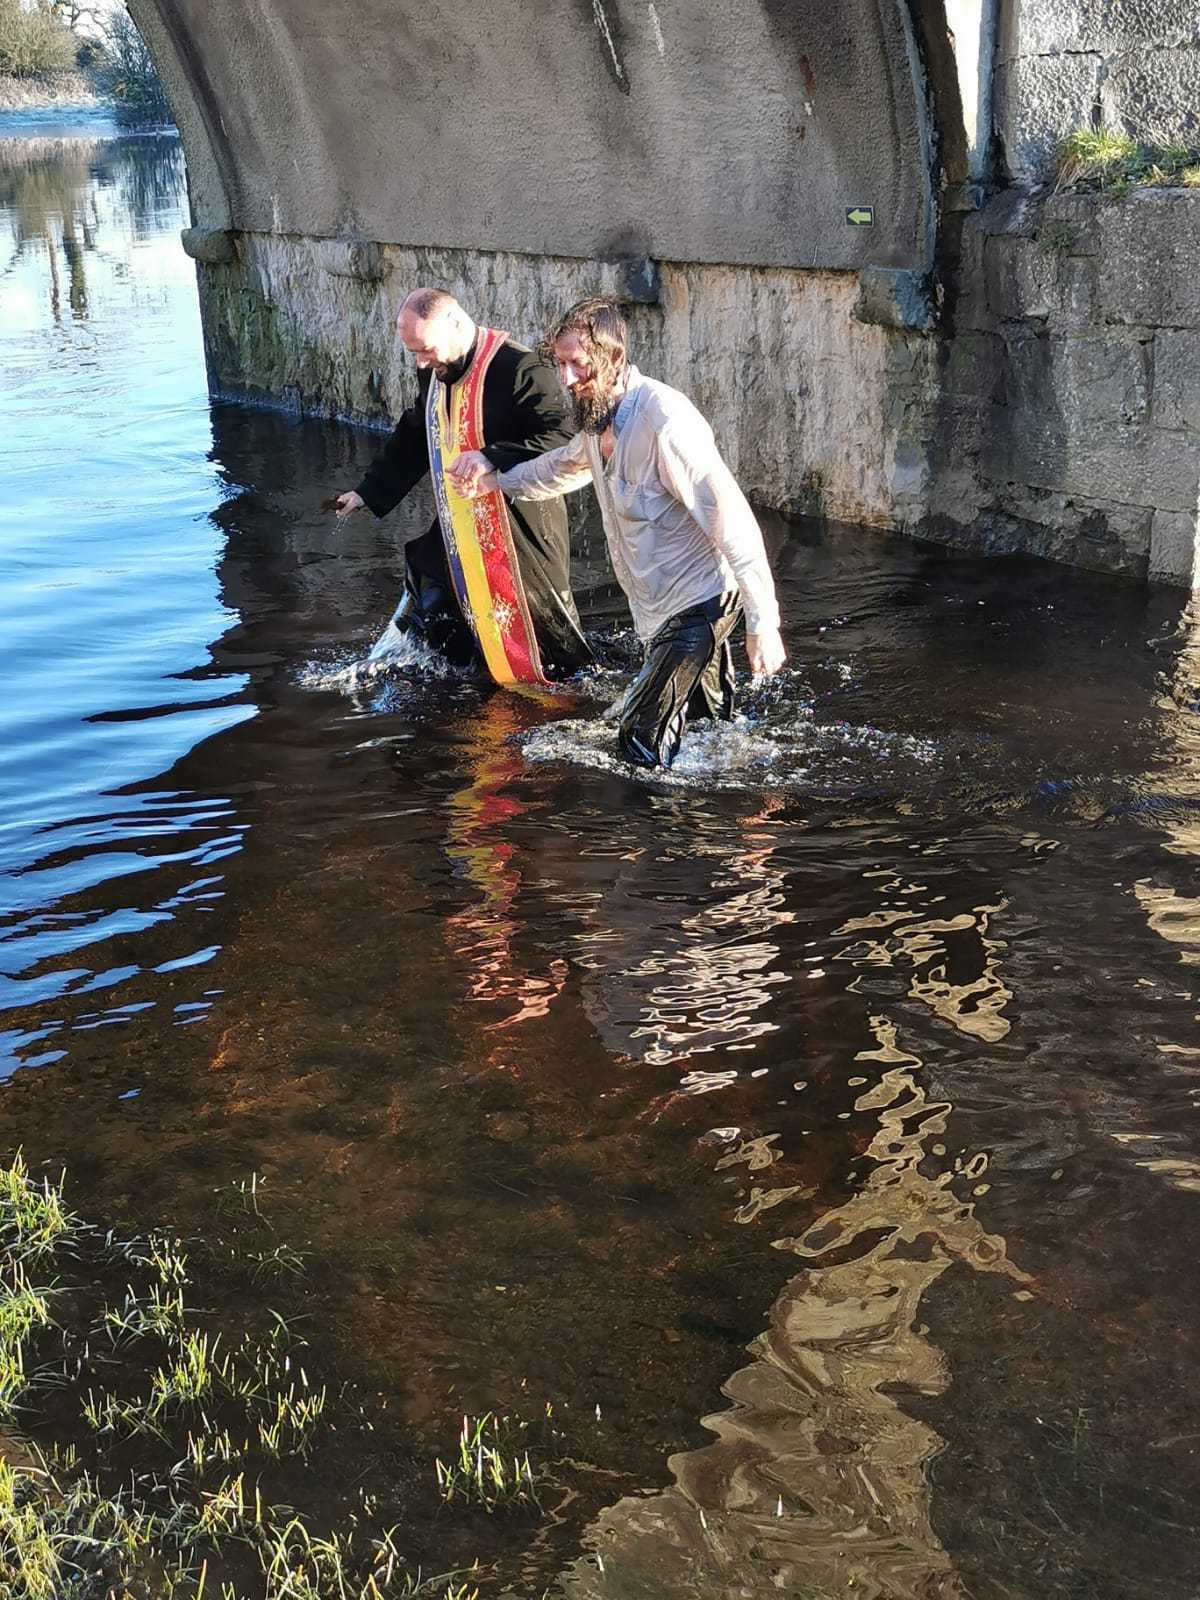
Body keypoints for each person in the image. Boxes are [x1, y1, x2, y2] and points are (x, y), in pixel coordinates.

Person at [449, 295, 786, 767]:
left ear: (613, 358)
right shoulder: (595, 423)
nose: (566, 379)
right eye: (560, 364)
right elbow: (560, 468)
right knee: (710, 728)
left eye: (577, 365)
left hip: (700, 602)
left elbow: (733, 522)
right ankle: (720, 820)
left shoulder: (665, 421)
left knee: (638, 742)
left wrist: (762, 623)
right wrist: (494, 481)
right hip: (658, 610)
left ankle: (651, 836)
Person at [334, 288, 589, 685]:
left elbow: (565, 437)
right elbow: (419, 430)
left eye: (426, 350)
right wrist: (369, 491)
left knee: (546, 643)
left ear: (455, 324)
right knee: (433, 609)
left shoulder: (523, 368)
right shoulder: (434, 366)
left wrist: (491, 456)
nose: (421, 361)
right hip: (459, 524)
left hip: (520, 528)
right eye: (414, 353)